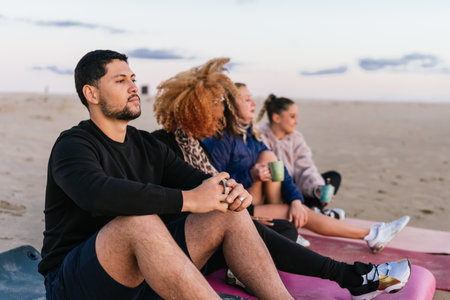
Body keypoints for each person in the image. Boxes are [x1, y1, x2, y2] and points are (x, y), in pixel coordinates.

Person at [38, 50, 295, 300]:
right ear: (91, 93)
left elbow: (199, 181)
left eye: (133, 79)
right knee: (137, 222)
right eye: (120, 81)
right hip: (74, 284)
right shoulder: (73, 145)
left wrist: (230, 190)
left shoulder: (147, 145)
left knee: (225, 211)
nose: (133, 87)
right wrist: (189, 200)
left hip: (146, 274)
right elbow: (96, 194)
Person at [152, 57, 411, 299]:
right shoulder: (168, 146)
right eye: (218, 105)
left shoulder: (198, 146)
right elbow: (184, 205)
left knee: (284, 227)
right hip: (191, 242)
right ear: (197, 109)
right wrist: (244, 213)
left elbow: (221, 189)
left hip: (220, 224)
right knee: (266, 225)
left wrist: (259, 208)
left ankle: (355, 275)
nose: (223, 113)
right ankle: (356, 276)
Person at [203, 82, 410, 254]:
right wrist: (251, 175)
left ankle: (291, 223)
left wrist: (295, 200)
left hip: (255, 200)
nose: (253, 103)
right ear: (230, 105)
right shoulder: (222, 139)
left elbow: (282, 173)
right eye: (246, 99)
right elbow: (215, 182)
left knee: (270, 158)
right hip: (239, 208)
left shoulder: (252, 137)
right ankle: (373, 234)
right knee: (304, 211)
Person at [258, 93, 343, 218]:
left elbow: (306, 167)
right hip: (273, 196)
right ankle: (314, 214)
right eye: (292, 117)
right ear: (276, 118)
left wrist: (317, 188)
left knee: (333, 177)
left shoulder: (296, 138)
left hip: (296, 192)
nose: (296, 122)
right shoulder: (260, 137)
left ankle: (314, 210)